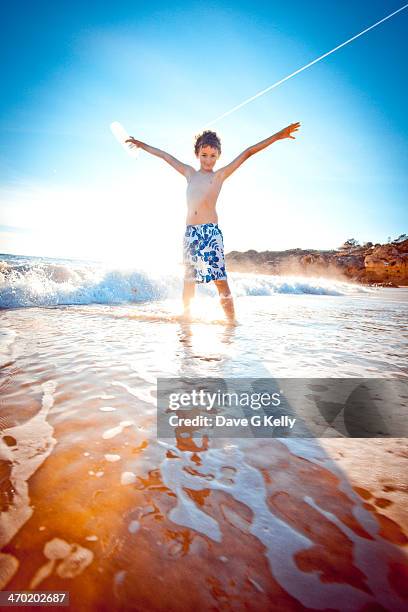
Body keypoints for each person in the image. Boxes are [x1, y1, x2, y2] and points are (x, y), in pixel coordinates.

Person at [126, 121, 300, 323]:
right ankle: (186, 317)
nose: (208, 160)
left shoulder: (220, 175)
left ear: (218, 156)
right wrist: (141, 145)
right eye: (204, 155)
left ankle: (231, 321)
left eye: (213, 156)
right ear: (197, 154)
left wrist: (278, 135)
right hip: (191, 233)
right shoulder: (189, 173)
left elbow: (248, 152)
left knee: (219, 280)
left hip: (210, 233)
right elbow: (165, 156)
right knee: (189, 279)